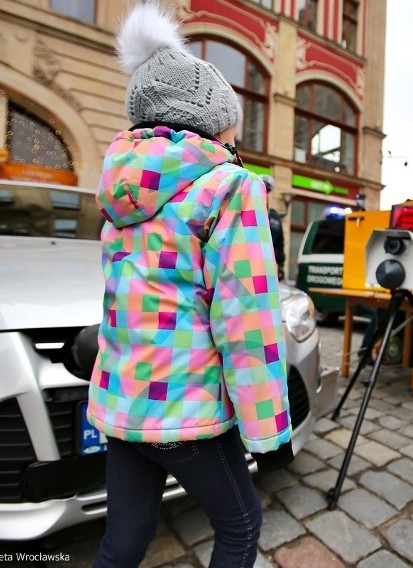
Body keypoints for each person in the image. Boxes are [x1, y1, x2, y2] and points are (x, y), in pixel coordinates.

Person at [86, 3, 294, 566]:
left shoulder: (120, 192)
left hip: (123, 403)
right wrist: (270, 431)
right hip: (186, 407)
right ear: (214, 121)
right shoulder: (228, 187)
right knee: (240, 524)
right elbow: (247, 318)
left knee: (123, 541)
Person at [261, 175, 286, 280]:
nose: (265, 194)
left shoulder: (275, 216)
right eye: (262, 190)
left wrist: (281, 266)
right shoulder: (247, 211)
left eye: (268, 191)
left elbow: (280, 243)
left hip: (270, 266)